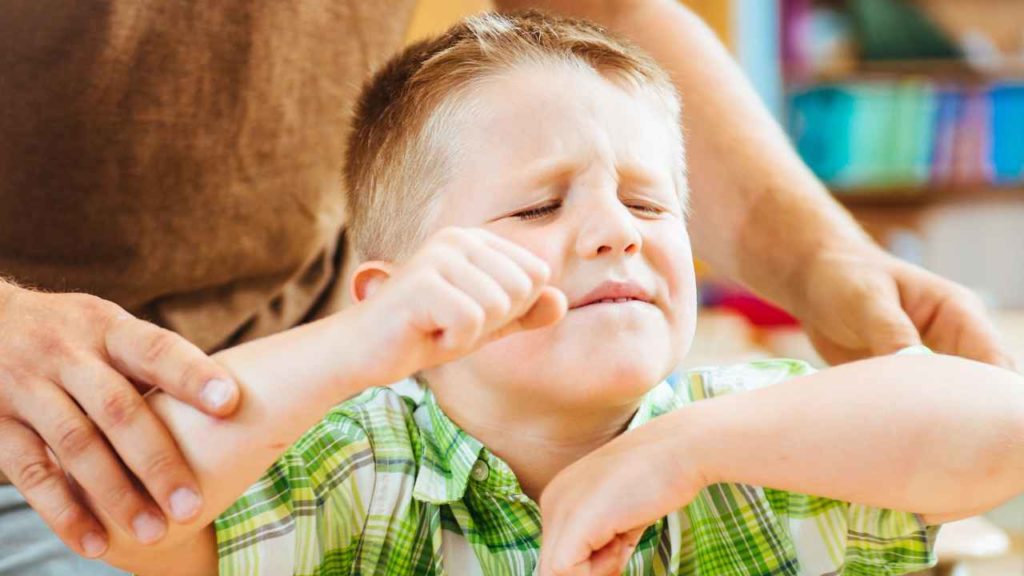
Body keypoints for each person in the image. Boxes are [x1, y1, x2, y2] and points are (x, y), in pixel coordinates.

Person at [0, 1, 1012, 574]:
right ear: (395, 300)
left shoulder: (746, 433)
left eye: (651, 207)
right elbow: (145, 509)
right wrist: (366, 344)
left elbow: (1000, 422)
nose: (615, 229)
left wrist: (679, 451)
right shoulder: (353, 469)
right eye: (537, 210)